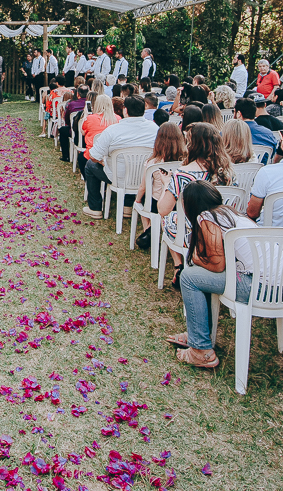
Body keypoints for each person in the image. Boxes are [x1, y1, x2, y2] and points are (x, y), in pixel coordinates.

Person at [168, 181, 257, 368]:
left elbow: (216, 265)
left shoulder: (206, 218)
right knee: (198, 276)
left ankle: (201, 351)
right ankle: (196, 335)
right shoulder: (229, 212)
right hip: (277, 285)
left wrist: (194, 257)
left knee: (189, 278)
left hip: (254, 285)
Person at [158, 123, 234, 285]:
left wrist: (166, 183)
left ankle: (178, 264)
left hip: (194, 235)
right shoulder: (227, 172)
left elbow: (163, 209)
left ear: (192, 145)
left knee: (168, 218)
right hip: (223, 233)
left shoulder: (183, 174)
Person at [84, 96, 156, 219]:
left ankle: (95, 208)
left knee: (90, 165)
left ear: (125, 110)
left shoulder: (113, 130)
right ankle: (127, 206)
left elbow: (94, 155)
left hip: (117, 178)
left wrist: (103, 162)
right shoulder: (155, 129)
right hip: (144, 177)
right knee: (130, 169)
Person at [79, 93, 119, 174]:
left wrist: (85, 115)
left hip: (93, 155)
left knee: (81, 157)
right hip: (111, 155)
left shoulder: (90, 118)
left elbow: (82, 132)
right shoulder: (118, 119)